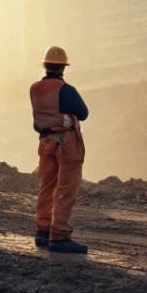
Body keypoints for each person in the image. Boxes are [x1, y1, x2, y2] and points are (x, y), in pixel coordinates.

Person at [30, 45, 90, 254]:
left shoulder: (35, 88)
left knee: (46, 186)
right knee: (66, 188)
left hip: (46, 142)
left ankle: (43, 231)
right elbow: (83, 113)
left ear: (45, 65)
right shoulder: (66, 90)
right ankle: (60, 236)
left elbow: (37, 120)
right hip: (67, 144)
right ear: (63, 67)